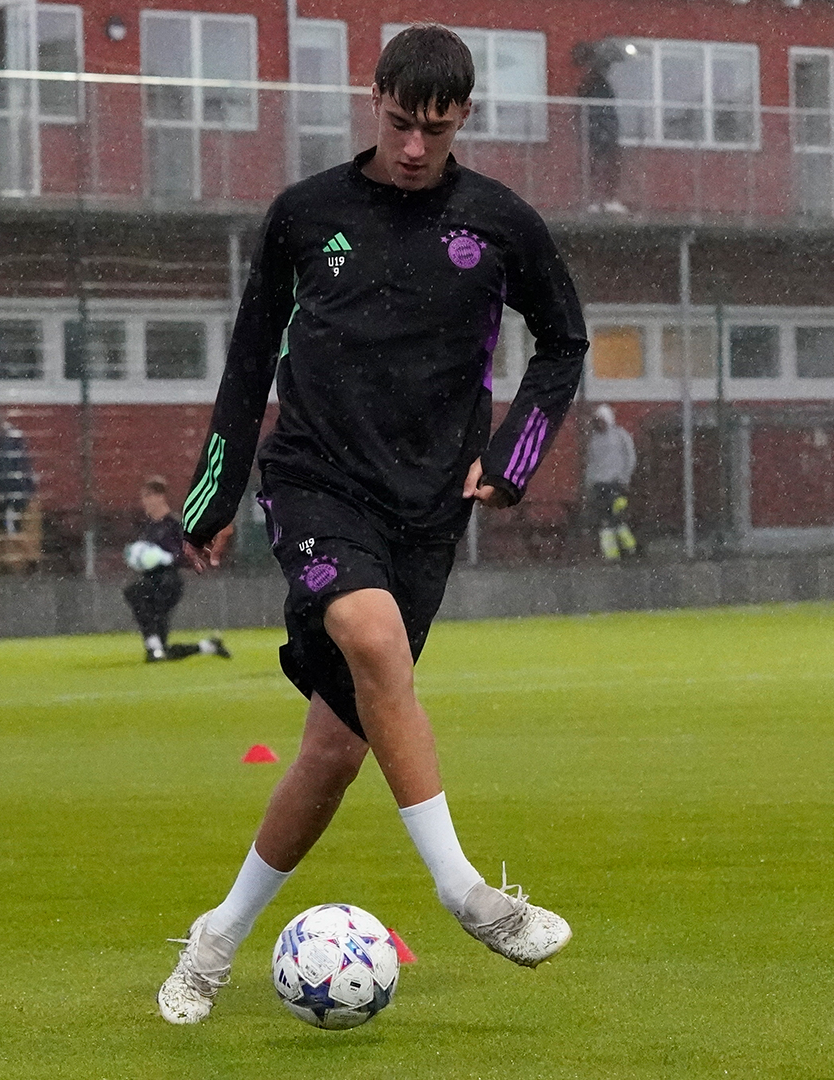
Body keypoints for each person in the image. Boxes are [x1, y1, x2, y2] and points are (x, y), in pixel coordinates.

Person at [155, 24, 590, 1025]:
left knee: (335, 750)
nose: (411, 148)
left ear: (463, 118)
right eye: (398, 123)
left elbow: (564, 343)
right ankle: (466, 893)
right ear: (376, 99)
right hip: (316, 484)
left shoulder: (500, 223)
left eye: (433, 131)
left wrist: (515, 457)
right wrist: (210, 496)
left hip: (428, 509)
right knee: (370, 633)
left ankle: (216, 938)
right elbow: (248, 357)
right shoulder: (305, 215)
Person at [123, 476, 230, 663]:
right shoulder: (148, 527)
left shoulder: (174, 524)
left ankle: (153, 645)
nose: (144, 502)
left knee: (136, 593)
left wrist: (167, 557)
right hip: (150, 577)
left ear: (159, 496)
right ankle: (208, 646)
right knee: (161, 643)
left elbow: (189, 553)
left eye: (147, 496)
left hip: (168, 580)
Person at [572, 40, 624, 213]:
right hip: (598, 128)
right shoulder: (593, 82)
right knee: (597, 164)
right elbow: (584, 102)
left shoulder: (599, 83)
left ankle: (606, 200)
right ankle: (597, 200)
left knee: (607, 164)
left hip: (604, 127)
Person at [584, 403, 638, 560]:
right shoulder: (594, 439)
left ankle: (627, 550)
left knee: (615, 518)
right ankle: (619, 552)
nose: (598, 423)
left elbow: (630, 457)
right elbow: (591, 462)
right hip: (600, 485)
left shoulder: (621, 436)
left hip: (616, 484)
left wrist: (624, 478)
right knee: (607, 521)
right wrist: (590, 482)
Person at [0, 413, 37, 536]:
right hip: (14, 486)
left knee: (10, 522)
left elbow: (3, 465)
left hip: (10, 486)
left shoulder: (3, 438)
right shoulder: (10, 436)